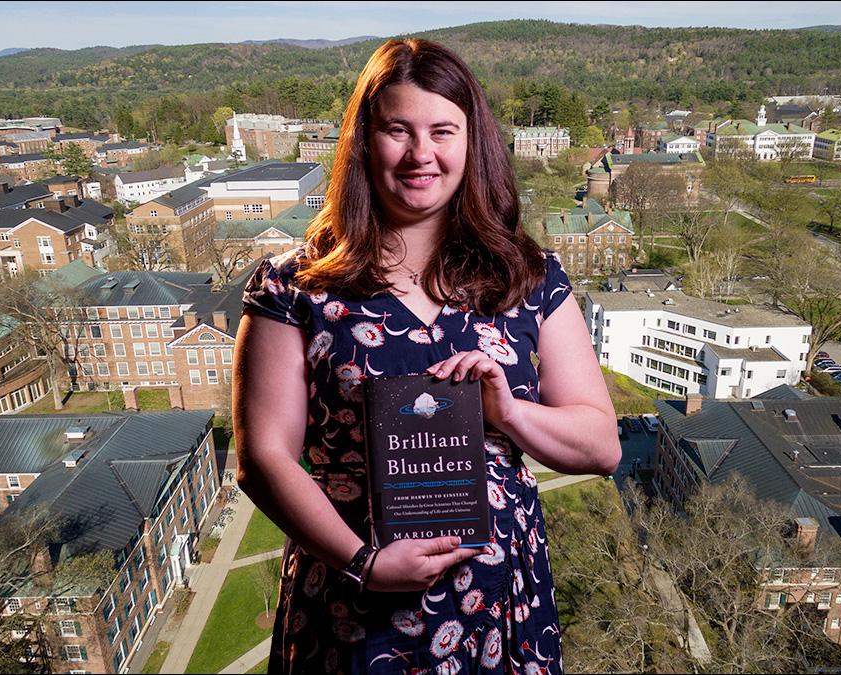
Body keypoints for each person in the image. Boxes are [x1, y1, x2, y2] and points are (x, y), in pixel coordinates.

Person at [233, 38, 621, 675]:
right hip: (351, 600)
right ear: (364, 142)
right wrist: (363, 562)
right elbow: (263, 458)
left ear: (473, 143)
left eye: (443, 130)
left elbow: (601, 446)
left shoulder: (529, 277)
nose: (421, 154)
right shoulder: (294, 287)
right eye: (397, 130)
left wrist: (511, 412)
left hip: (501, 604)